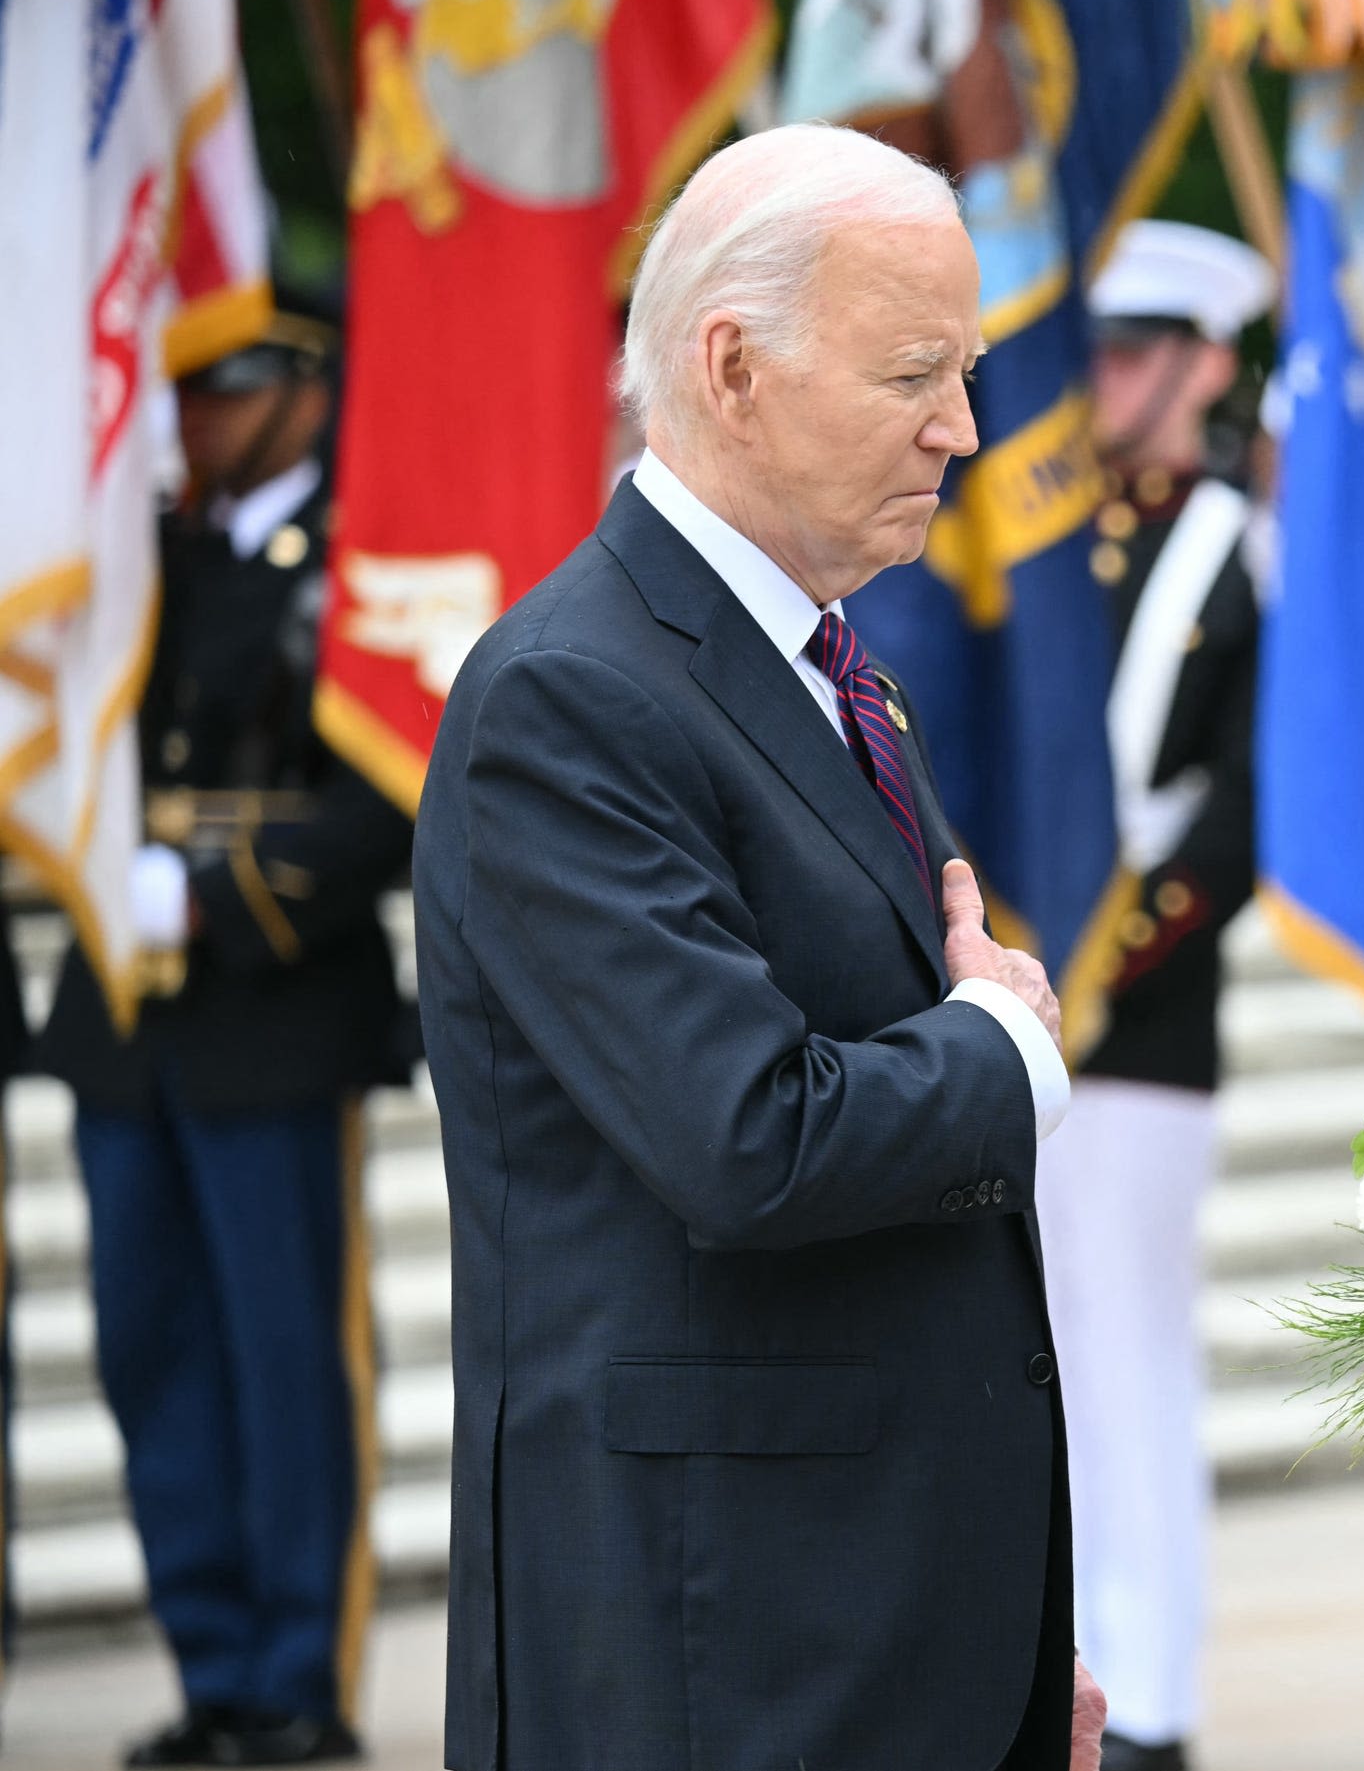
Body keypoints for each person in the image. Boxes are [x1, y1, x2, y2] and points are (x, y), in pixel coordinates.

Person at [412, 124, 1105, 1770]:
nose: (963, 424)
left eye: (973, 367)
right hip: (718, 1658)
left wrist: (1007, 1648)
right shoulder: (567, 698)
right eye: (916, 372)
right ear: (731, 367)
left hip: (874, 1633)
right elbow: (751, 1136)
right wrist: (1006, 1047)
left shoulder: (823, 658)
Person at [33, 298, 411, 1766]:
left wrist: (216, 895)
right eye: (181, 391)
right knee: (151, 1347)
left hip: (270, 1009)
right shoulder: (142, 557)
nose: (191, 416)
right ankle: (212, 1667)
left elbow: (392, 788)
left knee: (284, 1353)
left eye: (228, 387)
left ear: (305, 390)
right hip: (130, 1024)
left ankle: (298, 1680)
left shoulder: (368, 552)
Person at [1047, 219, 1271, 1771]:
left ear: (1203, 364)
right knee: (1046, 1377)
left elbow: (1239, 818)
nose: (1101, 377)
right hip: (1024, 1012)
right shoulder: (1055, 533)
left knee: (1123, 1368)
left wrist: (1094, 966)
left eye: (1133, 349)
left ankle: (1154, 1702)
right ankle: (1071, 1681)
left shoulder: (1239, 549)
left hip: (1140, 1024)